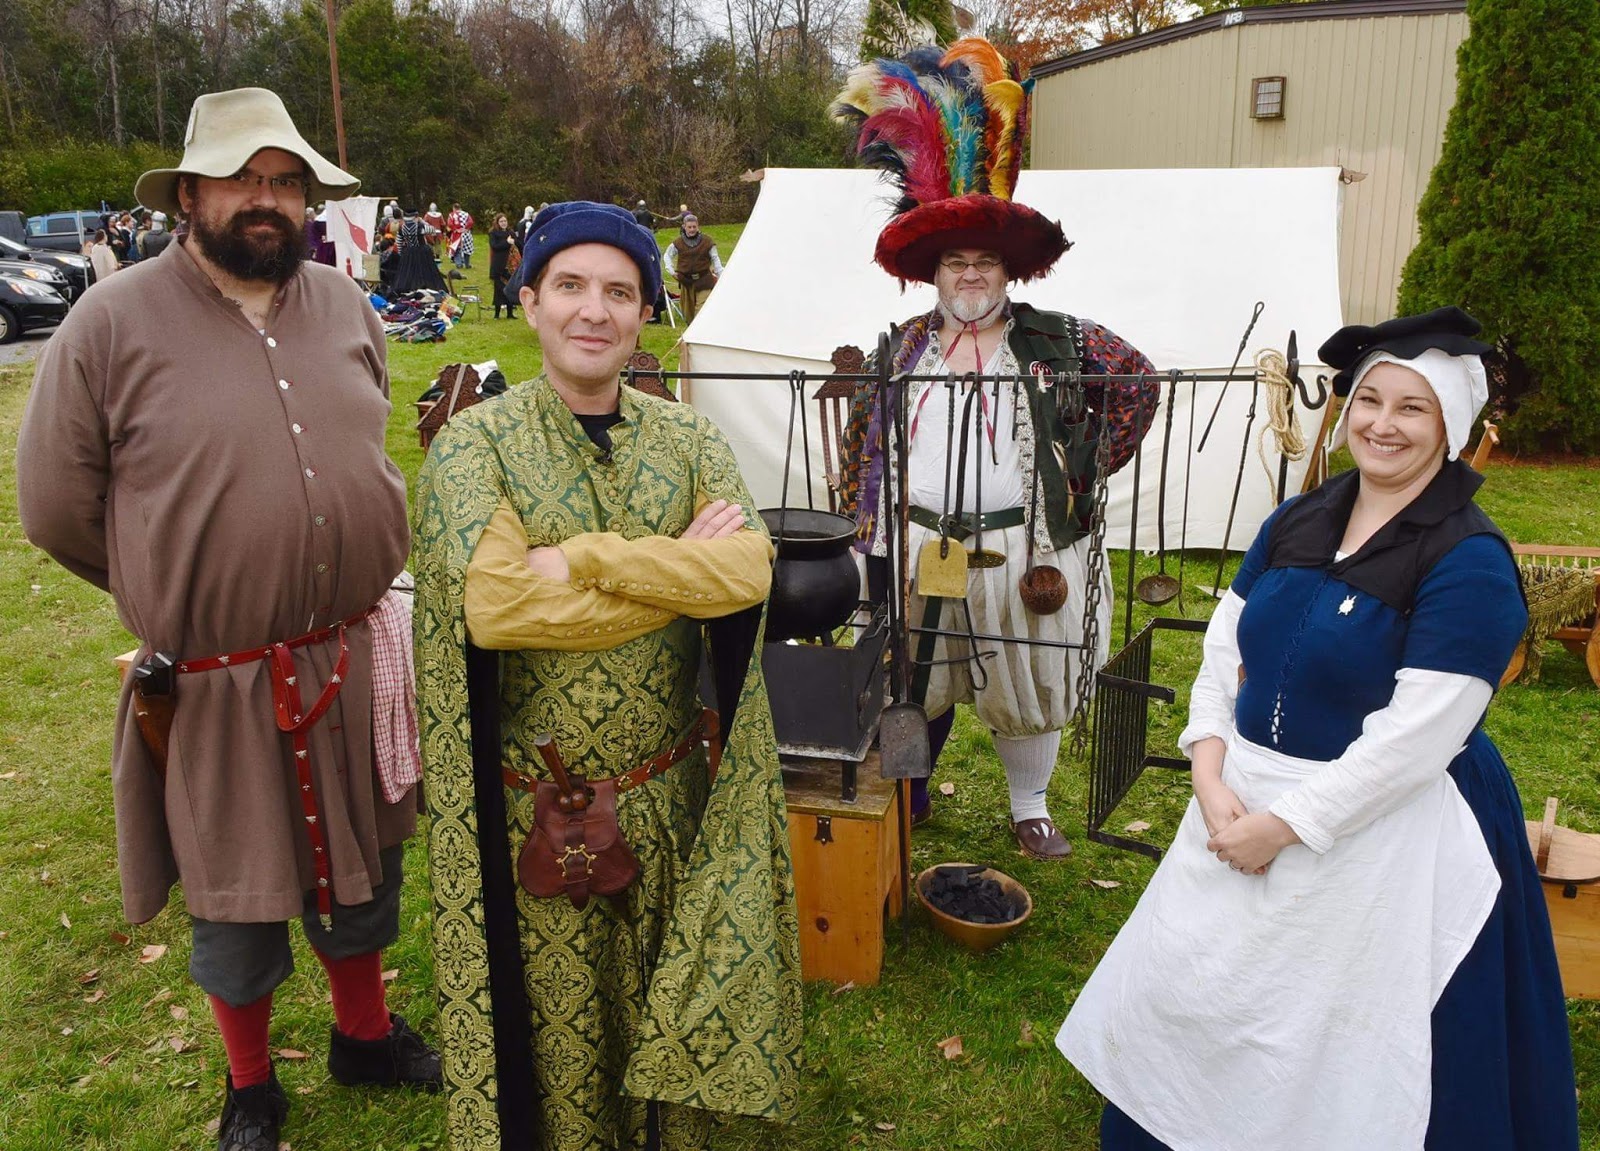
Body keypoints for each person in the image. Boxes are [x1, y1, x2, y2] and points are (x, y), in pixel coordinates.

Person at [15, 87, 440, 1151]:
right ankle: (250, 1087)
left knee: (363, 871)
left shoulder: (344, 305)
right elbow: (56, 508)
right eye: (241, 178)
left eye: (285, 181)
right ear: (188, 195)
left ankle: (364, 1035)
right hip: (217, 677)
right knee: (235, 894)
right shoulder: (109, 321)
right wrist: (175, 585)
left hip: (348, 654)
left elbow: (368, 438)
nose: (266, 198)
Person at [1057, 307, 1579, 1150]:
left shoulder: (1469, 560)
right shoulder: (1299, 520)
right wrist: (1208, 768)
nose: (1383, 424)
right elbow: (1225, 648)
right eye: (1370, 399)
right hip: (1240, 796)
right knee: (1205, 994)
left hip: (1386, 824)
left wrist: (1286, 825)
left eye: (1412, 407)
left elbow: (1416, 739)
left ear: (1450, 424)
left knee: (1347, 1038)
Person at [412, 200, 802, 1150]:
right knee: (561, 1044)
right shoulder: (475, 444)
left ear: (644, 312)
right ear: (530, 301)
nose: (595, 310)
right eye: (571, 286)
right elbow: (496, 606)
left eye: (620, 292)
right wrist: (677, 571)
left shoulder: (690, 439)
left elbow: (748, 570)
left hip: (671, 797)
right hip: (537, 814)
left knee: (672, 1007)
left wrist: (585, 557)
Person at [834, 38, 1158, 858]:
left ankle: (1029, 805)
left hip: (1026, 545)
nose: (970, 275)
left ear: (1006, 270)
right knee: (914, 673)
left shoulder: (1062, 340)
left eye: (984, 261)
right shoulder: (901, 350)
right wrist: (869, 535)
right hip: (921, 543)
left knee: (1030, 674)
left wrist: (1079, 472)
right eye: (956, 262)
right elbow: (861, 446)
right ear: (934, 273)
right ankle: (910, 793)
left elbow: (1140, 384)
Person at [661, 213, 720, 324]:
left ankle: (701, 330)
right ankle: (693, 329)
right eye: (689, 227)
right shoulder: (678, 243)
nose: (692, 229)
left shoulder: (707, 241)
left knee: (701, 310)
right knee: (688, 314)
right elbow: (667, 256)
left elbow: (715, 259)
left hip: (704, 280)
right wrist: (671, 271)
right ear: (684, 227)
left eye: (694, 227)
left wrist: (720, 275)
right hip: (686, 281)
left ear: (698, 226)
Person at [391, 205, 447, 295]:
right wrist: (422, 221)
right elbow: (432, 230)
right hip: (422, 252)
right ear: (416, 216)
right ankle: (426, 287)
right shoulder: (420, 226)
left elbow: (399, 242)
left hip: (408, 252)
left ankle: (409, 290)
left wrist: (402, 255)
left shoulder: (402, 228)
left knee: (409, 273)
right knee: (426, 272)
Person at [486, 212, 515, 319]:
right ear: (497, 222)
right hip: (498, 265)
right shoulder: (493, 233)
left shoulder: (510, 232)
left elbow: (517, 244)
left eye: (505, 221)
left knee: (509, 288)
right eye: (501, 221)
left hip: (509, 264)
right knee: (499, 290)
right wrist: (507, 242)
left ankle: (510, 313)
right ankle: (497, 314)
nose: (503, 223)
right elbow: (495, 246)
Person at [446, 201, 474, 269]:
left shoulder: (451, 215)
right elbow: (471, 222)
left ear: (454, 208)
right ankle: (467, 264)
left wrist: (455, 229)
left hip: (457, 234)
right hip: (466, 233)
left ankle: (459, 264)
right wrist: (465, 228)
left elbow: (449, 224)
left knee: (456, 249)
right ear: (460, 208)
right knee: (467, 250)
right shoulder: (466, 214)